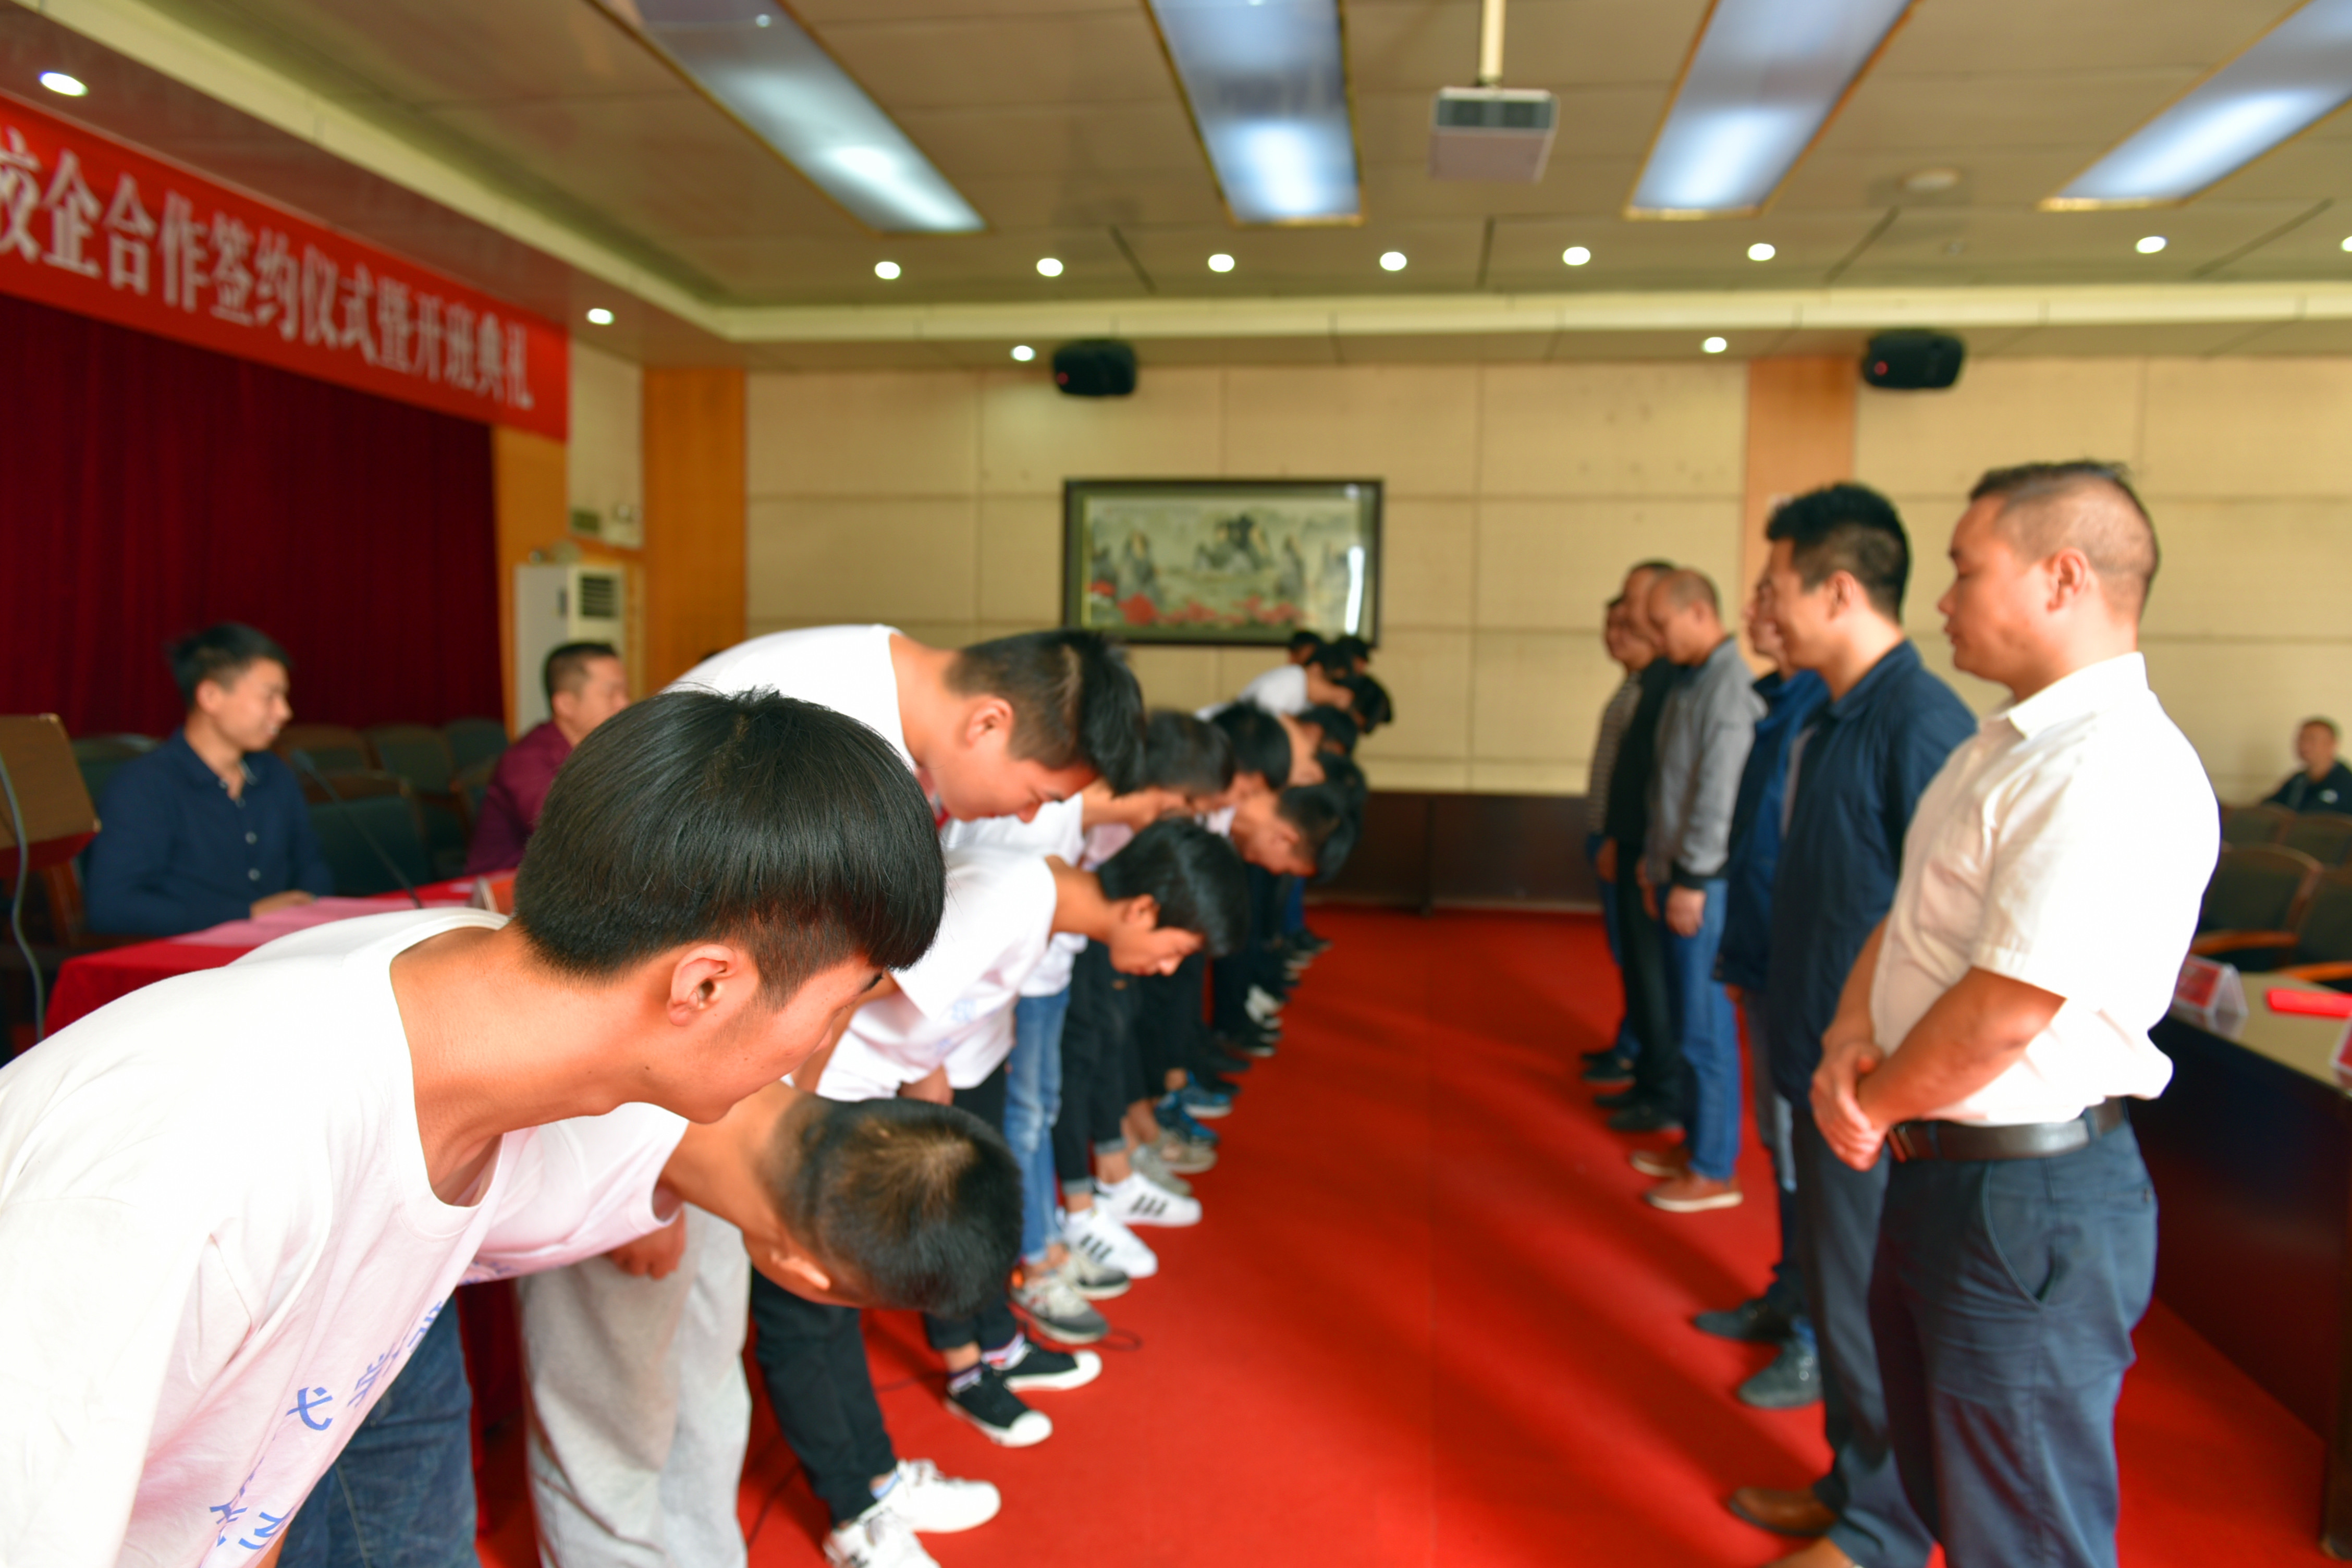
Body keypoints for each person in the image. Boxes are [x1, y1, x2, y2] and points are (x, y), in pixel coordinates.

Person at [0, 688, 1018, 1567]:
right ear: (707, 985)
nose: (826, 1046)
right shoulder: (194, 1172)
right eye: (843, 1002)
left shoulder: (486, 1050)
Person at [520, 624, 1145, 1568]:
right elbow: (635, 962)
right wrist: (640, 1172)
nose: (1026, 821)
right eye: (1037, 795)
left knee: (702, 1364)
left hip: (727, 1115)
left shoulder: (889, 736)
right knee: (619, 1399)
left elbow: (821, 992)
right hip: (632, 1114)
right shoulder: (813, 712)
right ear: (989, 721)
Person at [1814, 463, 2214, 1568]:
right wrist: (1851, 1038)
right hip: (1948, 1166)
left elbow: (2004, 1007)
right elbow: (1910, 922)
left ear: (2062, 577)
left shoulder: (2109, 764)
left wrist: (1869, 1104)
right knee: (1964, 1498)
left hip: (2026, 1193)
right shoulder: (2002, 745)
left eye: (1965, 570)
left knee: (2026, 1529)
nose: (1942, 600)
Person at [752, 824, 1246, 1568]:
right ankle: (855, 1514)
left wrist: (926, 1082)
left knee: (836, 1304)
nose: (1168, 966)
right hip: (820, 1103)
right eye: (1177, 948)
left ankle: (876, 1482)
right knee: (804, 1315)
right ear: (1144, 908)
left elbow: (919, 998)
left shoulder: (1037, 902)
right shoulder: (1009, 900)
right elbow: (839, 988)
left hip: (861, 1095)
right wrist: (788, 1123)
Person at [1724, 484, 1975, 1568]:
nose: (1766, 609)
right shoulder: (1830, 714)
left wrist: (1879, 1072)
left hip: (1874, 1084)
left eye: (1776, 588)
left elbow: (1944, 922)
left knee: (1874, 1308)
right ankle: (1849, 1485)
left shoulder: (1919, 723)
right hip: (1822, 1057)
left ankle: (1882, 1530)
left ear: (1837, 589)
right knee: (1837, 1292)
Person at [1698, 568, 1828, 1408]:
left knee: (1811, 1162)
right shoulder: (1777, 701)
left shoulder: (1829, 710)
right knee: (1783, 1150)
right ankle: (1789, 1295)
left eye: (1767, 598)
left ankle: (1817, 1336)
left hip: (1807, 974)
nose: (1752, 614)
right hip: (1767, 962)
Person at [1635, 570, 1762, 1213]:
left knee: (1706, 1027)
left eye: (1662, 625)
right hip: (1676, 872)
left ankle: (1715, 1166)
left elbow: (1718, 795)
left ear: (1697, 612)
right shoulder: (1692, 680)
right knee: (1687, 1019)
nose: (1657, 640)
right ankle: (1695, 1142)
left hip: (1702, 885)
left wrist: (1690, 877)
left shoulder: (1728, 686)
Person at [82, 622, 334, 935]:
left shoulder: (275, 773)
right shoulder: (143, 786)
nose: (284, 712)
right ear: (211, 696)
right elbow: (113, 906)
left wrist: (308, 907)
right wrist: (246, 915)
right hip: (189, 957)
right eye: (270, 696)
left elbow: (311, 865)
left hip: (283, 948)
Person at [1594, 561, 1681, 1133]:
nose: (1627, 616)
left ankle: (1663, 1089)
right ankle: (1648, 1076)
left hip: (1651, 851)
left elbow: (1666, 780)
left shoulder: (1677, 680)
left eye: (1636, 603)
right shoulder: (1649, 680)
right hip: (1630, 843)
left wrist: (1645, 849)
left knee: (1655, 975)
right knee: (1638, 969)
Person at [464, 641, 630, 873]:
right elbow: (567, 835)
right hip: (510, 885)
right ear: (566, 704)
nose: (625, 703)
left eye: (625, 692)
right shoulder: (526, 760)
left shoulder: (606, 749)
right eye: (612, 693)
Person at [1584, 594, 1657, 1087]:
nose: (1615, 637)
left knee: (1637, 955)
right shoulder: (1631, 686)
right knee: (1624, 950)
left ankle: (1637, 1050)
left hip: (1624, 839)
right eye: (1610, 626)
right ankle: (1631, 1042)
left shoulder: (1651, 691)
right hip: (1606, 834)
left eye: (1626, 627)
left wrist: (1614, 836)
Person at [2264, 717, 2352, 814]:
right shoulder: (2298, 780)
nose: (2304, 745)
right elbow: (2270, 806)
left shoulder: (2346, 782)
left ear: (2331, 744)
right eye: (2301, 739)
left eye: (2311, 739)